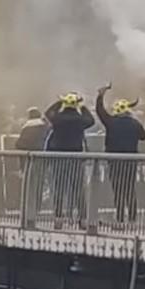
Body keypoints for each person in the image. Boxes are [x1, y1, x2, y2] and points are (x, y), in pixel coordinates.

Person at [96, 85, 145, 224]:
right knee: (130, 189)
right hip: (130, 162)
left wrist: (100, 96)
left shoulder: (111, 122)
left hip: (114, 162)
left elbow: (100, 112)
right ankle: (132, 219)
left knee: (118, 190)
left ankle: (119, 218)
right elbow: (144, 136)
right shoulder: (135, 124)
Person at [44, 93, 95, 228]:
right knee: (78, 190)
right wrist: (83, 107)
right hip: (76, 158)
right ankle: (83, 219)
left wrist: (59, 102)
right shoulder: (79, 120)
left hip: (58, 158)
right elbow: (91, 120)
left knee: (59, 189)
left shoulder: (58, 119)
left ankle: (58, 218)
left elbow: (48, 113)